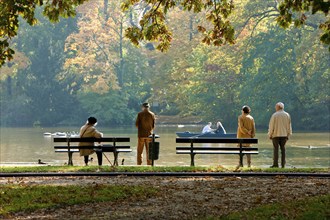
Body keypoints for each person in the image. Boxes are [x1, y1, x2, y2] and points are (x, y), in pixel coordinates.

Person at [268, 102, 292, 168]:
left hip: (275, 135)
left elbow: (271, 126)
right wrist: (289, 134)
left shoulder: (274, 115)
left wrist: (270, 134)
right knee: (283, 149)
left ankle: (275, 164)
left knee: (276, 149)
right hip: (284, 135)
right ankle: (283, 164)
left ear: (278, 107)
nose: (275, 108)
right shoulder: (287, 115)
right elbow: (289, 125)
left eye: (276, 106)